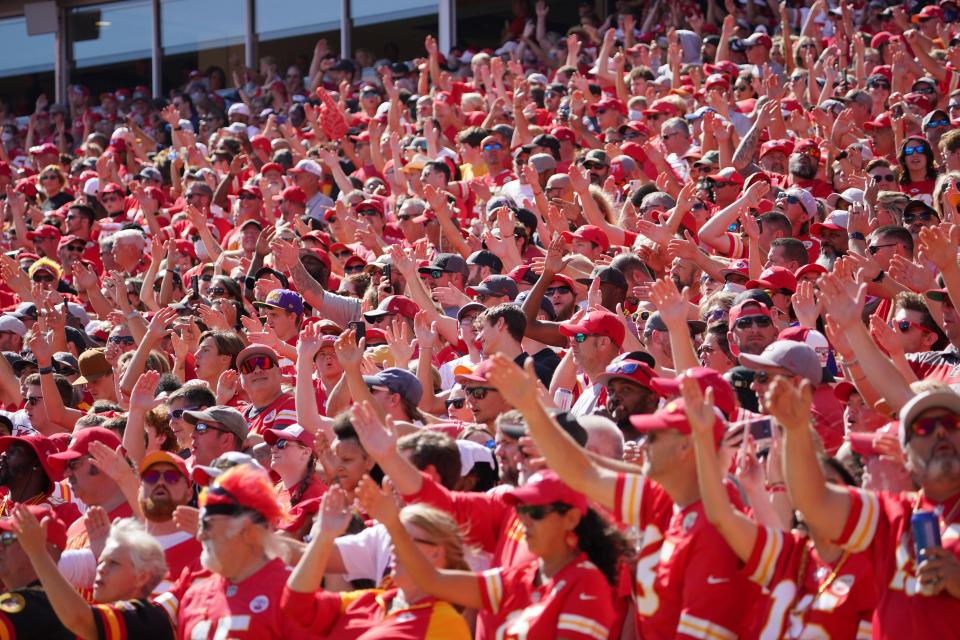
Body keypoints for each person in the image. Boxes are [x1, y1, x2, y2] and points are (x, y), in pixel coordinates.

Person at [483, 354, 755, 639]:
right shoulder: (661, 498)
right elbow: (584, 473)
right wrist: (531, 409)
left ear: (687, 447)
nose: (643, 441)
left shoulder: (715, 520)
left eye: (655, 435)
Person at [354, 398, 623, 640]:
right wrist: (388, 458)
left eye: (529, 447)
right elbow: (442, 515)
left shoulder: (602, 540)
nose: (516, 455)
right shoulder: (513, 525)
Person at [683, 376, 876, 639]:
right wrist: (706, 443)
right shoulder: (795, 556)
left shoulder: (869, 569)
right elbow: (722, 516)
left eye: (830, 485)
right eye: (809, 482)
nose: (816, 491)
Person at [775, 380, 960, 637]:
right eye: (924, 428)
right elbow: (814, 503)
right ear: (905, 457)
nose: (940, 432)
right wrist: (795, 431)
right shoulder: (890, 514)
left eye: (952, 424)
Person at [282, 487, 471, 639]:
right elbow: (296, 604)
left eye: (405, 539)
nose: (394, 548)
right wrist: (324, 536)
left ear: (437, 553)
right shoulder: (371, 600)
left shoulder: (446, 622)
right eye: (393, 540)